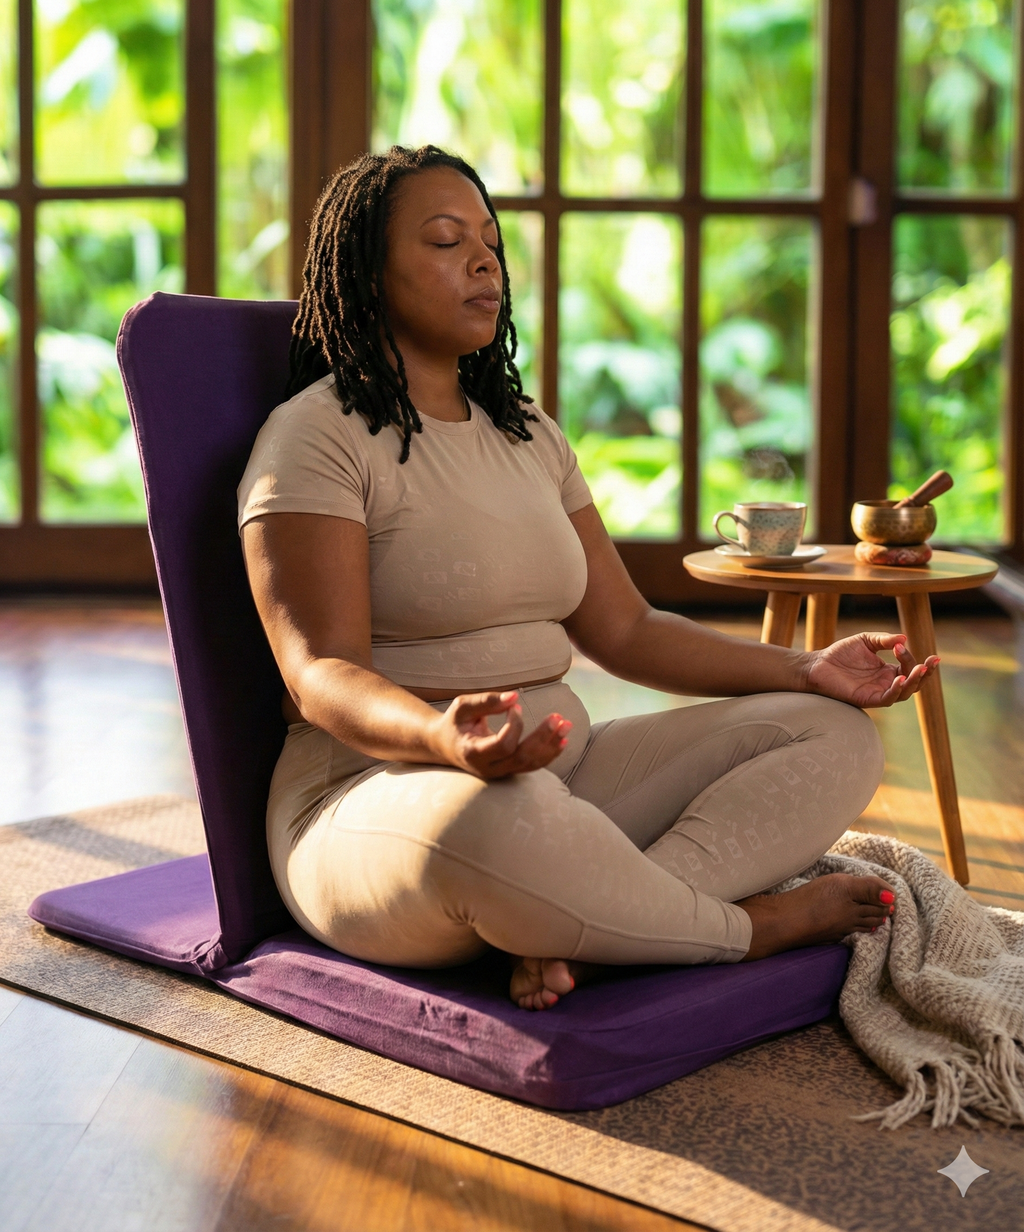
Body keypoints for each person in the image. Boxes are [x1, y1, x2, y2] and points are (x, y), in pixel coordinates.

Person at [238, 145, 936, 1011]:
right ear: (366, 273)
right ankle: (749, 929)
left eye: (490, 241)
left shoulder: (526, 430)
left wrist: (807, 669)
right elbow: (318, 674)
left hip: (567, 773)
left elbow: (627, 632)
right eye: (446, 241)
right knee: (496, 822)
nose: (485, 261)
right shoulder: (314, 438)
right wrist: (445, 741)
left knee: (834, 735)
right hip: (378, 795)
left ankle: (605, 931)